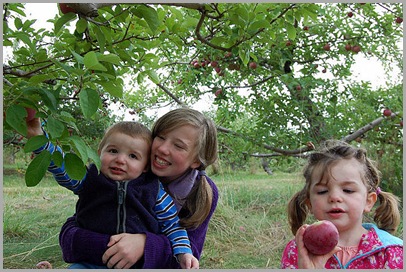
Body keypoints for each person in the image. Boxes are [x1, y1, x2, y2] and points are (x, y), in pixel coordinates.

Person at [26, 118, 199, 269]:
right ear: (99, 152)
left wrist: (183, 253)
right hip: (89, 263)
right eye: (113, 151)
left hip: (137, 264)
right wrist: (39, 139)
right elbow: (62, 166)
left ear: (146, 166)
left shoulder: (153, 190)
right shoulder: (90, 179)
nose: (120, 159)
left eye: (133, 156)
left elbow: (172, 225)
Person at [57, 108, 219, 269]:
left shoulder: (200, 191)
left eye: (178, 146)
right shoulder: (122, 175)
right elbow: (74, 232)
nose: (163, 148)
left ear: (196, 161)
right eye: (160, 137)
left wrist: (145, 244)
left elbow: (186, 260)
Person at [281, 140, 403, 269]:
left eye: (348, 190)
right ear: (309, 203)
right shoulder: (297, 251)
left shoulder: (392, 252)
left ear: (368, 201)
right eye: (322, 191)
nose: (334, 197)